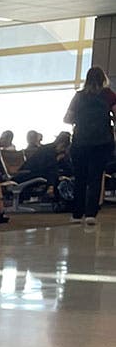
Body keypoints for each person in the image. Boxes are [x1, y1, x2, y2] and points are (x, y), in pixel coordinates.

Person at [64, 66, 116, 227]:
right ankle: (91, 214)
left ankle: (77, 214)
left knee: (80, 178)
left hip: (80, 143)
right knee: (95, 177)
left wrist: (80, 120)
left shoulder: (79, 96)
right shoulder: (109, 95)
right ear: (103, 79)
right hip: (102, 143)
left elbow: (67, 118)